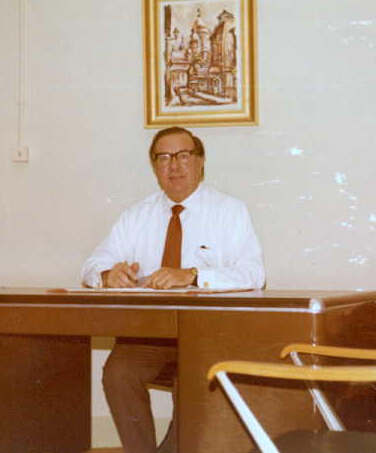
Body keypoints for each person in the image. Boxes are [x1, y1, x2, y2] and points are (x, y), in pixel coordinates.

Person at [81, 126, 265, 453]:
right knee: (117, 373)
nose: (174, 166)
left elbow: (254, 274)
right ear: (154, 167)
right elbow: (91, 265)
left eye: (183, 156)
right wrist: (108, 274)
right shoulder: (136, 216)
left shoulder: (229, 211)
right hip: (150, 336)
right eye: (164, 158)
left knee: (193, 380)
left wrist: (194, 275)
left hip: (209, 335)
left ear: (200, 162)